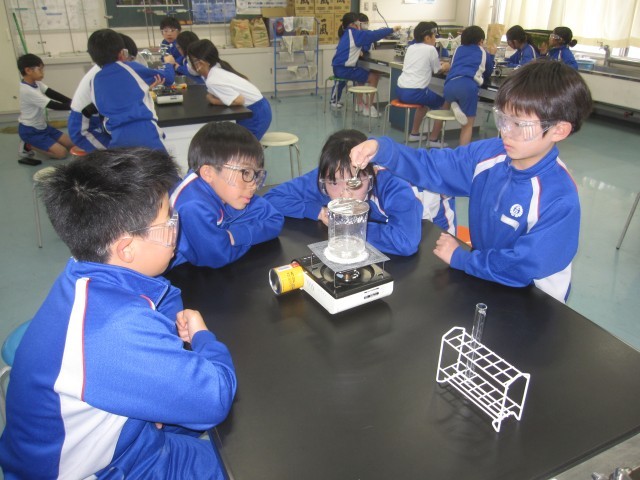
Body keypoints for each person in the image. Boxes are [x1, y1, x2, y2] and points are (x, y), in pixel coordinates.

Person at [0, 148, 237, 479]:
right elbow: (214, 398)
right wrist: (202, 336)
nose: (176, 228)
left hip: (125, 440)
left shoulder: (84, 272)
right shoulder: (116, 328)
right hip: (108, 468)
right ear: (126, 248)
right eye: (169, 221)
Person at [349, 61, 593, 302]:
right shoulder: (490, 155)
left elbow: (522, 266)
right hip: (486, 275)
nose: (506, 132)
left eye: (520, 125)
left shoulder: (559, 197)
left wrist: (462, 258)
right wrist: (382, 149)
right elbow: (433, 166)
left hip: (535, 298)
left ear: (559, 130)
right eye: (503, 119)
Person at [264, 129, 423, 256]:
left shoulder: (392, 185)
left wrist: (349, 228)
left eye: (355, 183)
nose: (345, 195)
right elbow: (272, 198)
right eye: (335, 183)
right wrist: (318, 211)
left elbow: (406, 241)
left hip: (429, 217)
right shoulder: (329, 176)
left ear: (372, 174)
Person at [169, 121, 284, 269]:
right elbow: (217, 256)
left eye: (255, 175)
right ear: (208, 173)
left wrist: (235, 235)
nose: (254, 185)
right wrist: (234, 239)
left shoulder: (226, 193)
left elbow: (274, 219)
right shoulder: (193, 205)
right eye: (245, 173)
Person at [88, 29, 175, 152]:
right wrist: (169, 64)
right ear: (122, 52)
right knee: (160, 164)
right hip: (145, 132)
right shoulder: (131, 67)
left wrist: (145, 88)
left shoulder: (94, 81)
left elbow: (112, 102)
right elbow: (169, 78)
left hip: (117, 138)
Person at [187, 39, 272, 140]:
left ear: (200, 63)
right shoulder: (217, 69)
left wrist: (213, 101)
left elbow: (239, 100)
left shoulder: (213, 79)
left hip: (255, 115)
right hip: (260, 108)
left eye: (191, 61)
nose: (190, 65)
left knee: (239, 147)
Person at [332, 12, 400, 117]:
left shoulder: (347, 33)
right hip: (345, 70)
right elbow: (374, 34)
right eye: (359, 22)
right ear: (353, 24)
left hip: (339, 68)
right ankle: (368, 107)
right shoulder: (355, 34)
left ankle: (359, 104)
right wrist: (392, 29)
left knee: (362, 73)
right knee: (374, 76)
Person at [396, 21, 451, 145]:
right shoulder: (431, 49)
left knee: (423, 105)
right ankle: (433, 139)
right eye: (434, 36)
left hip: (400, 90)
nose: (435, 38)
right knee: (444, 104)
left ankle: (414, 134)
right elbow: (437, 70)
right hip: (415, 92)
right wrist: (446, 66)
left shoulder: (411, 47)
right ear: (427, 38)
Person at [443, 25, 496, 146]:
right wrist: (492, 55)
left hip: (449, 85)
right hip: (468, 86)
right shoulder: (483, 52)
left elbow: (453, 65)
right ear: (481, 41)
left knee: (452, 97)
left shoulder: (458, 49)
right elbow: (488, 71)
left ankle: (455, 105)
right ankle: (463, 153)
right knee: (467, 125)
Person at [16, 54, 74, 165]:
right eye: (40, 69)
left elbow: (54, 95)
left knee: (71, 145)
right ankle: (28, 145)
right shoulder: (27, 91)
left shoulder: (37, 84)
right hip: (30, 131)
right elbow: (53, 105)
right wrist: (75, 106)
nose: (43, 72)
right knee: (62, 153)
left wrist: (74, 101)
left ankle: (46, 142)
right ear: (28, 70)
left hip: (43, 127)